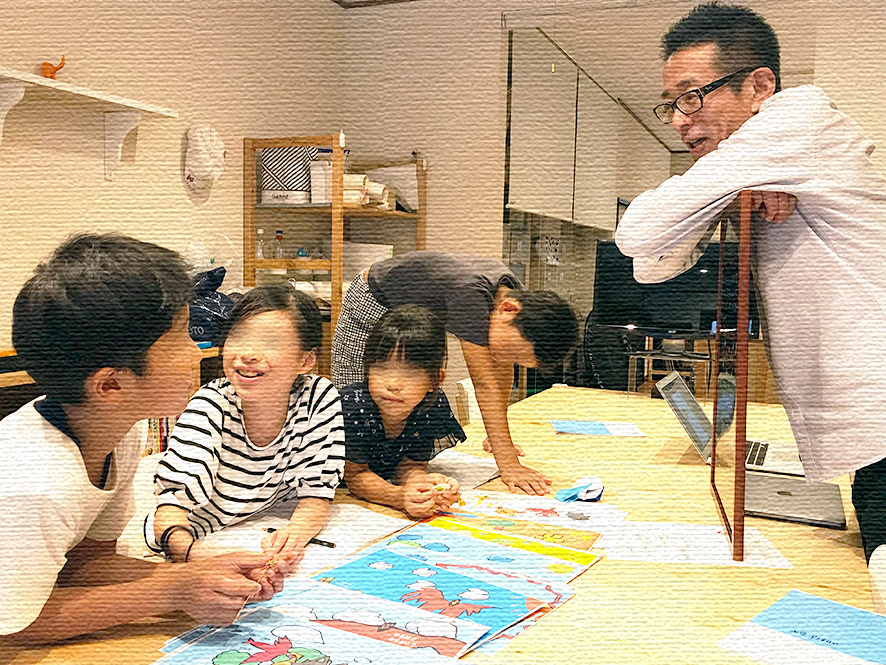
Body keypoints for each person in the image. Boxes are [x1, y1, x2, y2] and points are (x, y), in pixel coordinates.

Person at [614, 2, 886, 562]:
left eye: (693, 96)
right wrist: (732, 197)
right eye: (671, 103)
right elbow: (651, 265)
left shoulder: (796, 120)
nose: (679, 119)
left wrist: (726, 187)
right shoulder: (771, 155)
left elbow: (636, 232)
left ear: (759, 86)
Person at [0, 233, 280, 645]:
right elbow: (15, 625)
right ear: (111, 386)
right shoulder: (36, 480)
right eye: (181, 337)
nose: (197, 352)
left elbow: (85, 564)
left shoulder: (122, 429)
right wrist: (172, 591)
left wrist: (199, 575)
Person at [331, 250, 579, 496]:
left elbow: (502, 375)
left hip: (412, 308)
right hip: (373, 299)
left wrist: (497, 440)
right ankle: (359, 482)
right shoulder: (470, 295)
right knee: (358, 409)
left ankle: (400, 474)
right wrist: (509, 466)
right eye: (510, 351)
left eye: (516, 359)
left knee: (412, 400)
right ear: (508, 309)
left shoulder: (514, 300)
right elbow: (484, 384)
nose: (504, 359)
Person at [147, 285, 344, 571]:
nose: (248, 354)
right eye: (238, 337)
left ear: (306, 360)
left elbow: (316, 494)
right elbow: (170, 508)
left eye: (270, 342)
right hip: (199, 540)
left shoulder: (318, 397)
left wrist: (292, 537)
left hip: (259, 528)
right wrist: (194, 556)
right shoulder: (210, 405)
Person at [341, 305, 465, 518]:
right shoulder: (352, 406)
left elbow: (410, 463)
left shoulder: (431, 406)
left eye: (409, 372)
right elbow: (355, 476)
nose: (393, 384)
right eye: (381, 368)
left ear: (435, 380)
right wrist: (399, 497)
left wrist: (423, 485)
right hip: (341, 502)